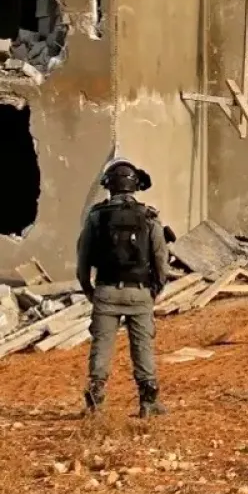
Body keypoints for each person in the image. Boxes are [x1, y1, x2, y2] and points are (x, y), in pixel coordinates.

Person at [78, 157, 174, 418]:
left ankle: (95, 403)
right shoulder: (149, 216)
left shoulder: (97, 217)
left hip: (106, 291)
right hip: (140, 292)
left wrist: (90, 290)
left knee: (102, 346)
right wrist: (155, 289)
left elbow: (83, 258)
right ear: (135, 186)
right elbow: (160, 259)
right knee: (142, 346)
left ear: (109, 186)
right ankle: (148, 402)